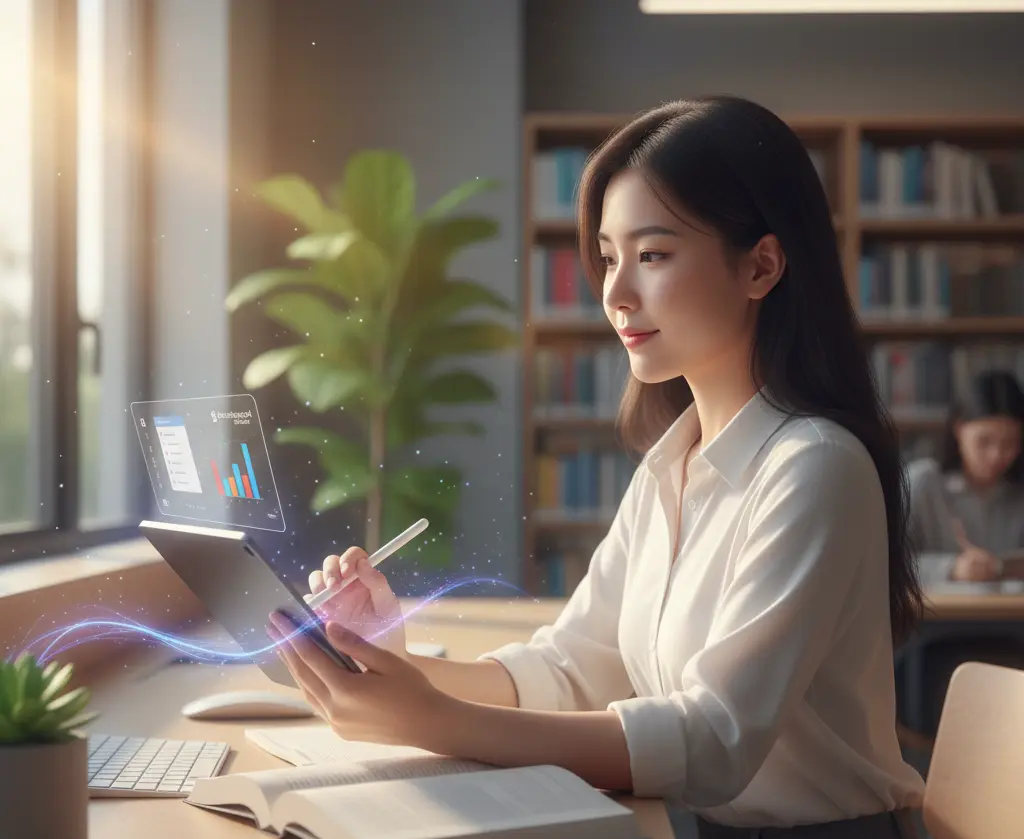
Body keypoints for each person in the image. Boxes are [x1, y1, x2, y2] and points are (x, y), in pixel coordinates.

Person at [266, 96, 926, 839]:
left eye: (652, 255)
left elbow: (712, 742)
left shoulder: (815, 469)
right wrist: (397, 660)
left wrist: (437, 719)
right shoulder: (669, 469)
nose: (614, 294)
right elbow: (573, 669)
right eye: (609, 257)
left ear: (761, 266)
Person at [902, 369, 1024, 737]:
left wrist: (1004, 565)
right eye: (985, 441)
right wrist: (953, 568)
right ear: (958, 429)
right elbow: (887, 565)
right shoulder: (923, 482)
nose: (998, 455)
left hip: (1012, 624)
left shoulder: (1019, 489)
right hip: (936, 629)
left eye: (1010, 443)